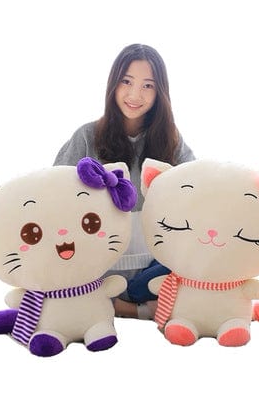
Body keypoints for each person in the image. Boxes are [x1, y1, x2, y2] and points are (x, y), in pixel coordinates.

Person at [53, 43, 195, 319]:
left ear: (160, 92)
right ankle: (136, 310)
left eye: (147, 86)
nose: (134, 95)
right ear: (113, 84)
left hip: (153, 267)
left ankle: (128, 304)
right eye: (126, 81)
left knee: (203, 256)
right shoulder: (87, 136)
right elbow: (56, 194)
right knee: (61, 266)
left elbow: (196, 187)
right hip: (98, 262)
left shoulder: (170, 140)